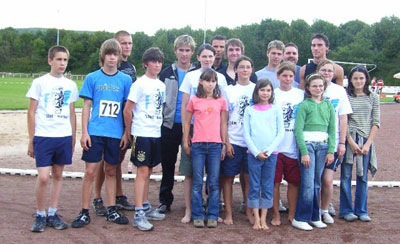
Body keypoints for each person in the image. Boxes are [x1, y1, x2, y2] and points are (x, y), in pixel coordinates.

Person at [71, 39, 131, 228]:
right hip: (95, 131)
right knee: (90, 171)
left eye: (115, 54)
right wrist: (85, 132)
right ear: (103, 56)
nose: (112, 58)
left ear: (119, 57)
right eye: (109, 54)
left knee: (111, 170)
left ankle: (112, 209)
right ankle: (84, 211)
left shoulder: (125, 80)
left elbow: (126, 108)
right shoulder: (92, 78)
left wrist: (126, 133)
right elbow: (86, 106)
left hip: (115, 133)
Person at [27, 46, 79, 232]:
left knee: (58, 175)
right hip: (44, 136)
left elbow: (72, 113)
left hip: (63, 136)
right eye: (58, 59)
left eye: (65, 60)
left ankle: (52, 212)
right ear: (50, 61)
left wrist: (73, 137)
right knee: (43, 177)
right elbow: (31, 112)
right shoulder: (39, 83)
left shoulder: (71, 85)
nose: (62, 63)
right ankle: (40, 214)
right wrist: (32, 139)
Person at [179, 44, 228, 223]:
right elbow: (185, 109)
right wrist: (186, 136)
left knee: (214, 180)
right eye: (204, 56)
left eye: (211, 56)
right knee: (192, 175)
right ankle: (191, 211)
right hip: (195, 132)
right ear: (198, 57)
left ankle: (213, 213)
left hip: (214, 137)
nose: (208, 59)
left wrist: (225, 142)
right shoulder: (190, 77)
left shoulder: (221, 79)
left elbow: (224, 115)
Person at [92, 30, 136, 217]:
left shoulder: (131, 68)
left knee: (116, 160)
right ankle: (97, 197)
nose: (127, 46)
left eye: (129, 43)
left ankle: (118, 195)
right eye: (123, 43)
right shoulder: (109, 68)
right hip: (106, 124)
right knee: (104, 161)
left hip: (123, 121)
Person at [123, 47, 166, 231]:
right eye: (153, 61)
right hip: (141, 134)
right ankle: (138, 213)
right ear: (146, 63)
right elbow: (127, 110)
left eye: (159, 61)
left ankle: (146, 206)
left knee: (148, 171)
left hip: (155, 133)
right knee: (141, 172)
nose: (156, 65)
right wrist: (128, 133)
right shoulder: (139, 84)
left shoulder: (161, 85)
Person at [157, 35, 197, 214]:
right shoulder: (166, 73)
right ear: (175, 51)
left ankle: (196, 200)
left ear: (192, 52)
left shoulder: (198, 72)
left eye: (187, 50)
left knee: (194, 164)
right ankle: (165, 200)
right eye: (181, 50)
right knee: (168, 164)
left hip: (194, 124)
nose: (184, 53)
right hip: (170, 123)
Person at [292, 74, 335, 231]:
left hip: (323, 147)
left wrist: (331, 151)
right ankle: (300, 217)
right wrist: (304, 152)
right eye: (314, 86)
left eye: (320, 85)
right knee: (308, 184)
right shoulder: (305, 105)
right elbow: (298, 130)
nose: (318, 88)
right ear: (308, 88)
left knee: (316, 183)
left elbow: (332, 130)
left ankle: (314, 216)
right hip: (308, 147)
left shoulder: (328, 106)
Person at [339, 66, 380, 222]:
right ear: (350, 80)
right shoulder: (346, 96)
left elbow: (376, 122)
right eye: (355, 78)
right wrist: (350, 141)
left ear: (366, 80)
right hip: (349, 139)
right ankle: (346, 209)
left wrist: (367, 144)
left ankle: (361, 210)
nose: (358, 81)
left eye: (361, 78)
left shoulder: (373, 97)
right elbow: (344, 119)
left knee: (362, 177)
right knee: (346, 175)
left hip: (365, 140)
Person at [244, 79, 284, 231]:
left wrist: (268, 150)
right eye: (262, 90)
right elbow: (247, 134)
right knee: (254, 185)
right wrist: (256, 152)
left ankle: (263, 218)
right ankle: (255, 218)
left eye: (268, 90)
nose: (265, 93)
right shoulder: (250, 110)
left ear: (271, 92)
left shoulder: (276, 109)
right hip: (253, 154)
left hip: (271, 154)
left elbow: (280, 133)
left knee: (267, 185)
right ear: (257, 92)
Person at [317, 59, 352, 224]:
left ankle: (324, 209)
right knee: (314, 179)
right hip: (315, 142)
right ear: (318, 71)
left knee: (327, 180)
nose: (327, 73)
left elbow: (343, 117)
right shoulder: (312, 89)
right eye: (323, 70)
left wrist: (342, 142)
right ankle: (313, 209)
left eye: (330, 71)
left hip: (334, 141)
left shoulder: (339, 91)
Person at [221, 56, 255, 225]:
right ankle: (228, 213)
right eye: (241, 67)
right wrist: (226, 142)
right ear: (235, 70)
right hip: (233, 141)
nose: (244, 70)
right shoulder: (228, 90)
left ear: (252, 70)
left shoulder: (257, 89)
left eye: (248, 67)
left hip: (251, 143)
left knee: (248, 178)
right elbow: (224, 119)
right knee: (228, 177)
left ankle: (249, 211)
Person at [272, 61, 304, 226]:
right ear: (278, 76)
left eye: (291, 76)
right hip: (276, 147)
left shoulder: (300, 94)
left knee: (294, 182)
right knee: (275, 183)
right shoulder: (272, 94)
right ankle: (276, 214)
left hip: (293, 146)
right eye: (284, 75)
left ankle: (292, 214)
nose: (287, 79)